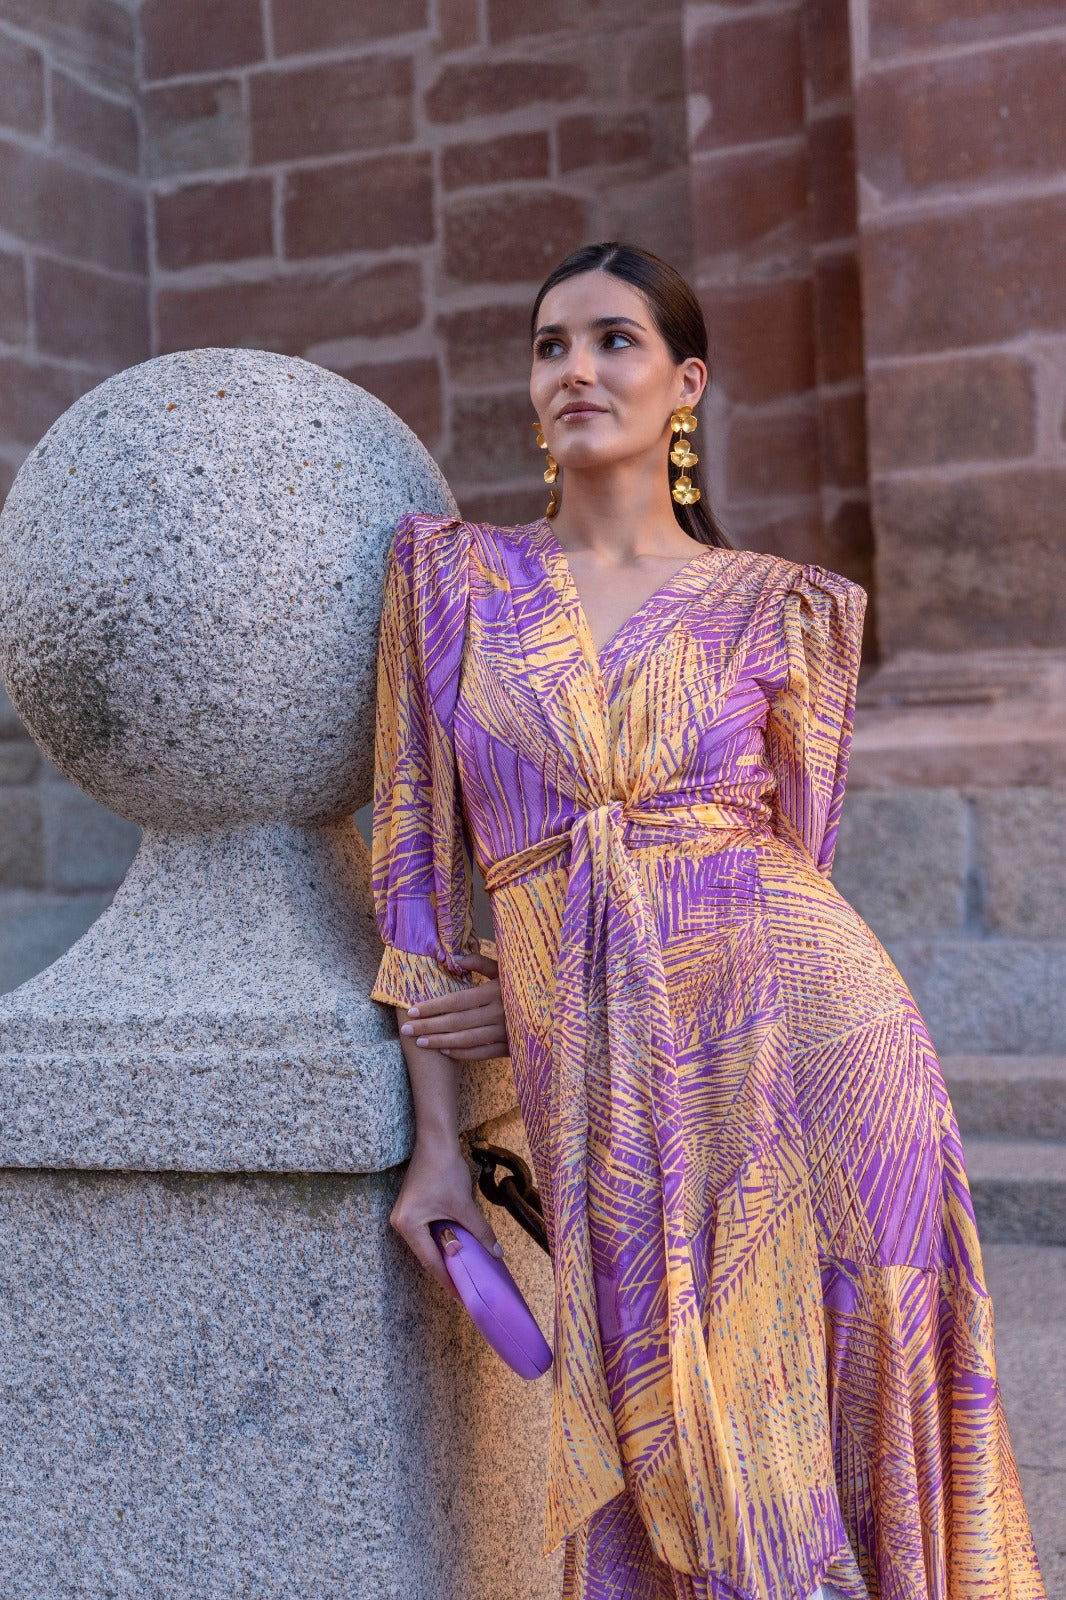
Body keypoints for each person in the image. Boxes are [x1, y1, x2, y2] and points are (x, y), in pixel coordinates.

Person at [368, 241, 1046, 1600]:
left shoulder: (781, 607)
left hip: (815, 1044)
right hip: (604, 1085)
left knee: (844, 1382)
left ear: (685, 385)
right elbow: (416, 871)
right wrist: (443, 1139)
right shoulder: (452, 581)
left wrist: (576, 975)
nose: (575, 369)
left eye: (613, 340)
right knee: (664, 1428)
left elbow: (788, 864)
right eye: (550, 345)